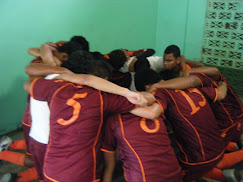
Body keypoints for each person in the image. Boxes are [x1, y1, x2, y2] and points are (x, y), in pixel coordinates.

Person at [23, 51, 155, 182]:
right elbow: (149, 100)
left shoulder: (56, 88)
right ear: (104, 81)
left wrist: (64, 75)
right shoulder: (104, 98)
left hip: (53, 168)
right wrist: (127, 94)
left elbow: (28, 80)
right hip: (83, 172)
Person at [134, 68, 243, 182]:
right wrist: (223, 84)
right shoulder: (186, 85)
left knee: (176, 172)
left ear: (147, 87)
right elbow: (220, 93)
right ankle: (229, 163)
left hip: (201, 151)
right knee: (212, 159)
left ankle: (221, 176)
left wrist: (125, 104)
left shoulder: (160, 94)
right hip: (218, 143)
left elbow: (153, 112)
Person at [101, 106, 182, 181]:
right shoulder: (154, 107)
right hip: (172, 171)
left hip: (147, 176)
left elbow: (109, 163)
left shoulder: (114, 120)